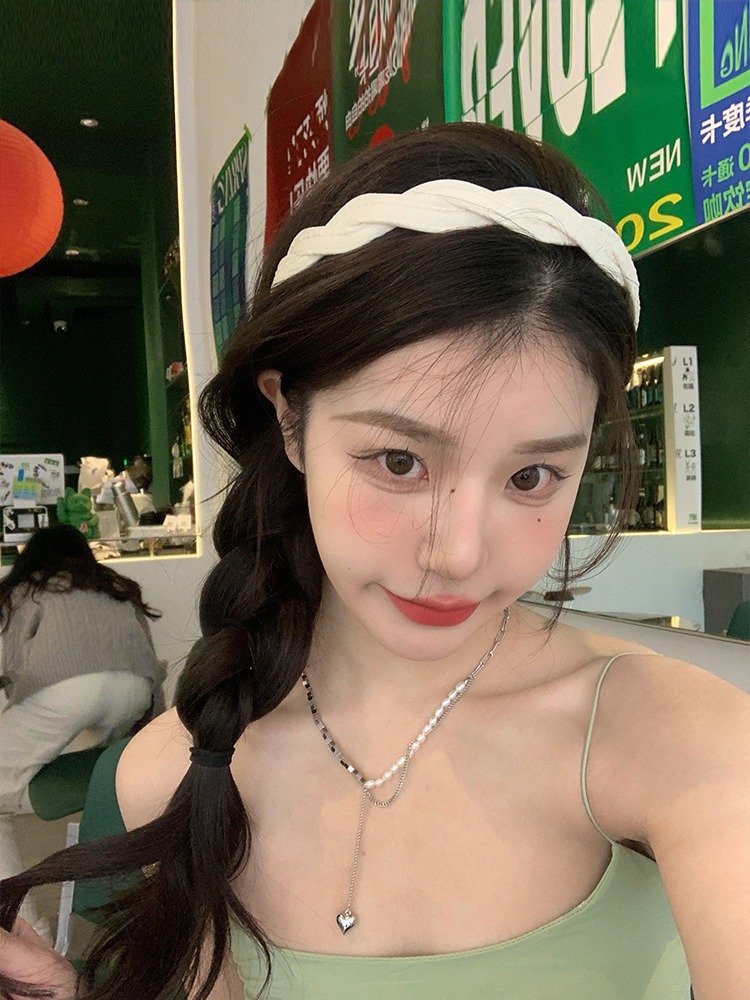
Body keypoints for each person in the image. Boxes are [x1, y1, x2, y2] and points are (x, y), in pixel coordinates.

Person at [1, 124, 749, 1000]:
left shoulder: (678, 738)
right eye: (399, 462)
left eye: (531, 477)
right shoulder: (178, 769)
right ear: (289, 419)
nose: (458, 553)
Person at [0, 524, 165, 938]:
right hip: (134, 692)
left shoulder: (28, 589)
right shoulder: (115, 586)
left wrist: (15, 693)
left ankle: (27, 931)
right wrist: (153, 738)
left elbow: (11, 660)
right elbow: (149, 661)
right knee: (109, 778)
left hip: (67, 693)